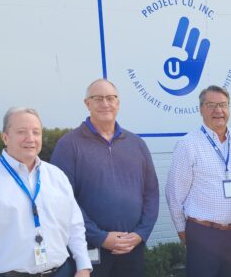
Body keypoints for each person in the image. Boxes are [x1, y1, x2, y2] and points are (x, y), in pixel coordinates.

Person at [0, 107, 92, 277]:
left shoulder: (57, 176)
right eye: (21, 132)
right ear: (5, 137)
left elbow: (75, 225)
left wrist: (83, 266)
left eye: (36, 132)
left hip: (62, 272)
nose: (30, 138)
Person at [51, 79, 159, 277]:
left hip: (132, 247)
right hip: (90, 249)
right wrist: (100, 237)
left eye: (110, 98)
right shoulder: (69, 145)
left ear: (118, 103)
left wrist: (140, 234)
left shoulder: (137, 144)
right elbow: (64, 200)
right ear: (87, 103)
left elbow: (151, 193)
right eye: (98, 98)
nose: (105, 103)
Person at [166, 85, 231, 277]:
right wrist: (182, 229)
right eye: (211, 105)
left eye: (223, 105)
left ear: (229, 108)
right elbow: (174, 193)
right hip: (203, 234)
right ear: (201, 109)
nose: (218, 110)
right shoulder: (187, 144)